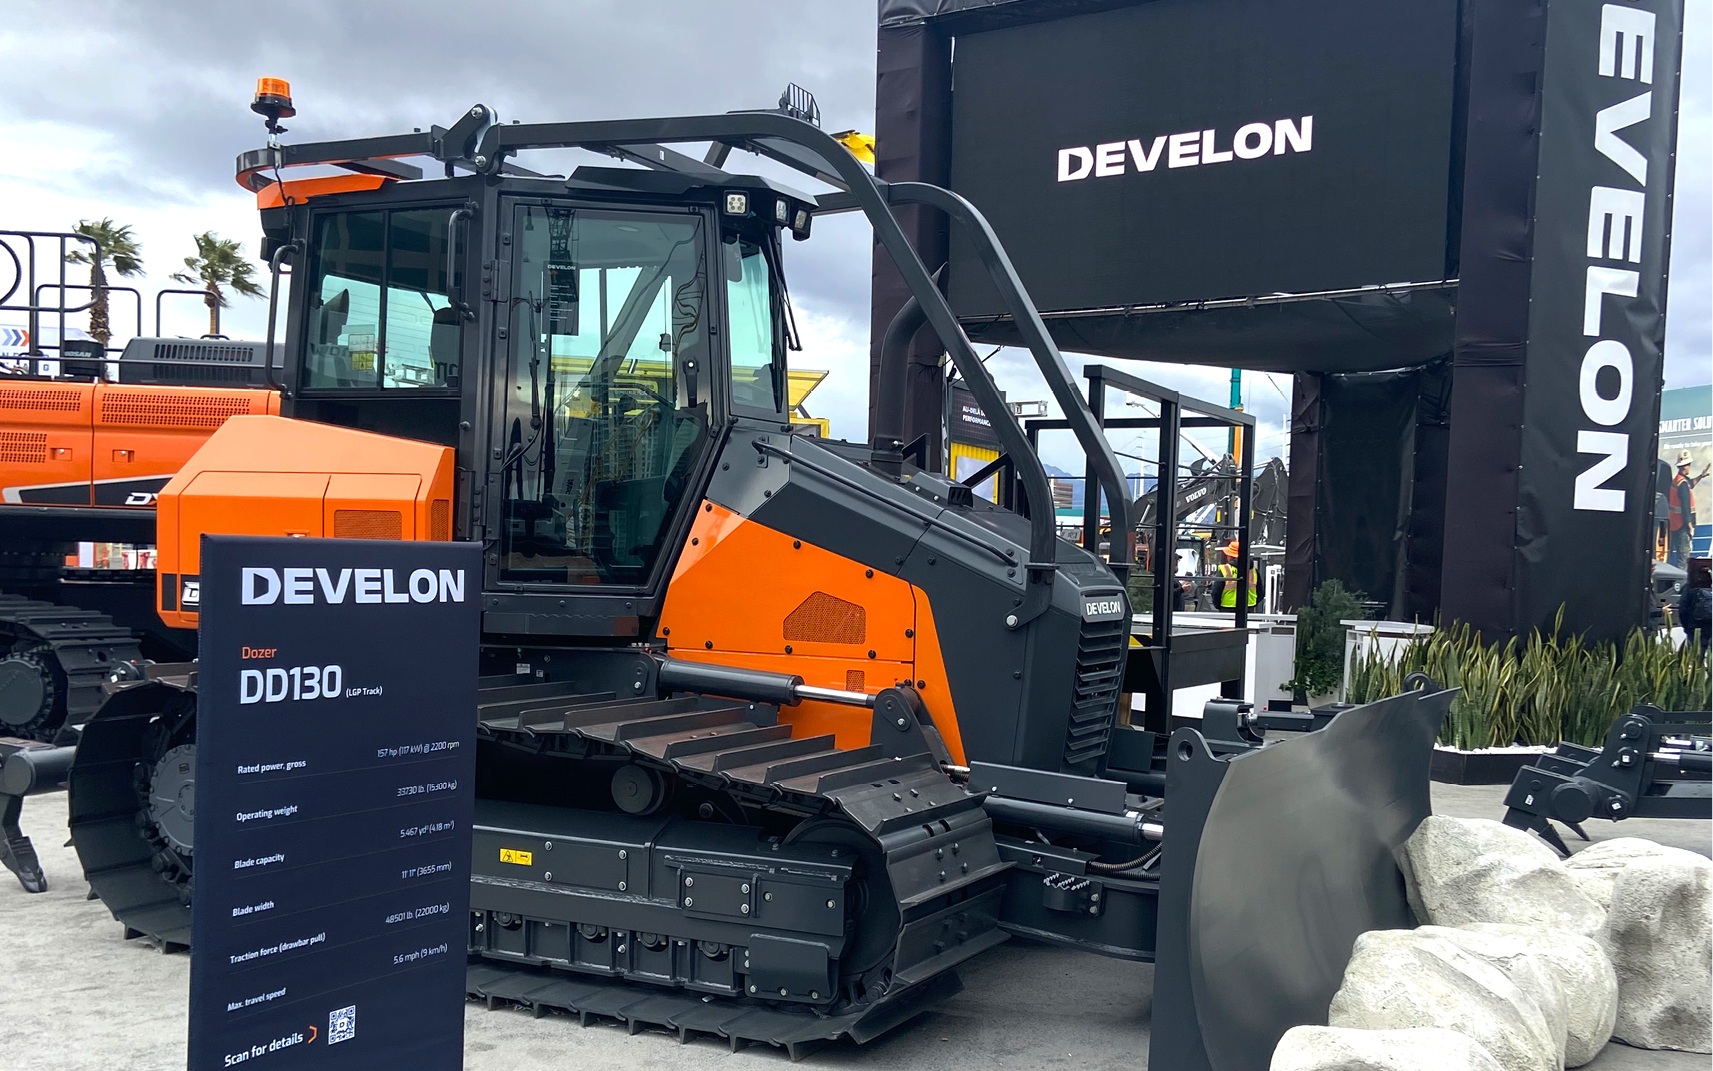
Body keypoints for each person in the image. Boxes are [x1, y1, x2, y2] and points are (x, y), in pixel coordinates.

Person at [1667, 451, 1709, 567]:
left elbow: (1690, 483)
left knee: (1675, 557)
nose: (1690, 467)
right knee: (1683, 560)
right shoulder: (1683, 485)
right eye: (1689, 464)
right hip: (1682, 527)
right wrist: (1690, 527)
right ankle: (1681, 584)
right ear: (1684, 466)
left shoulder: (1678, 480)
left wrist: (1701, 475)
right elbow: (1686, 508)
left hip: (1674, 525)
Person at [1214, 539, 1258, 612]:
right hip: (1248, 609)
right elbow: (1260, 591)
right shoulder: (1253, 571)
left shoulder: (1224, 570)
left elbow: (1216, 591)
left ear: (1230, 556)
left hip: (1227, 609)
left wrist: (1218, 606)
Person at [1679, 556, 1711, 655]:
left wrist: (1687, 628)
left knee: (1695, 660)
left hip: (1695, 628)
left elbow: (1683, 610)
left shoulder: (1689, 588)